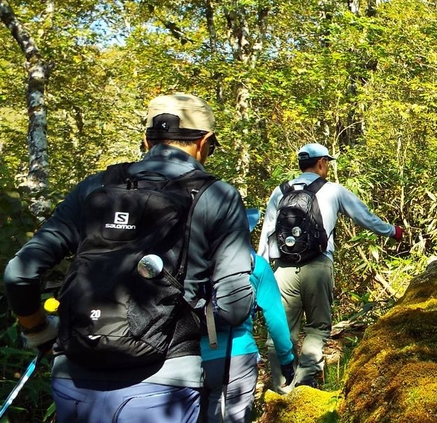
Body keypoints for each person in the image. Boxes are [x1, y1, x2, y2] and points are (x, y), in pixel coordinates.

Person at [3, 93, 255, 422]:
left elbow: (18, 273)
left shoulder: (93, 188)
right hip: (165, 379)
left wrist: (38, 331)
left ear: (145, 139)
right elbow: (236, 305)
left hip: (75, 376)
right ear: (205, 142)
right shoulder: (217, 195)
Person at [257, 143, 403, 391]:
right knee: (318, 326)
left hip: (282, 269)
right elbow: (364, 217)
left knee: (281, 329)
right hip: (318, 266)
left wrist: (261, 270)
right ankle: (306, 381)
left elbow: (267, 232)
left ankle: (282, 387)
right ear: (322, 163)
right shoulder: (333, 190)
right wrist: (392, 231)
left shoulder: (279, 191)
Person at [201, 208, 295, 422]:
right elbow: (275, 318)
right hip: (237, 358)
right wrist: (286, 360)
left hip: (189, 359)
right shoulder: (255, 265)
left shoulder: (190, 263)